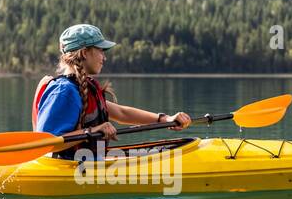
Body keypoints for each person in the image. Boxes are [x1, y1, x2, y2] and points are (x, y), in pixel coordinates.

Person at [33, 24, 191, 159]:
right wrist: (93, 131)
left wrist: (165, 120)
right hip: (66, 170)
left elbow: (122, 114)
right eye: (101, 50)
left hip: (89, 163)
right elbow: (46, 143)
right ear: (84, 52)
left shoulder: (84, 87)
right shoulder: (64, 91)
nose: (104, 57)